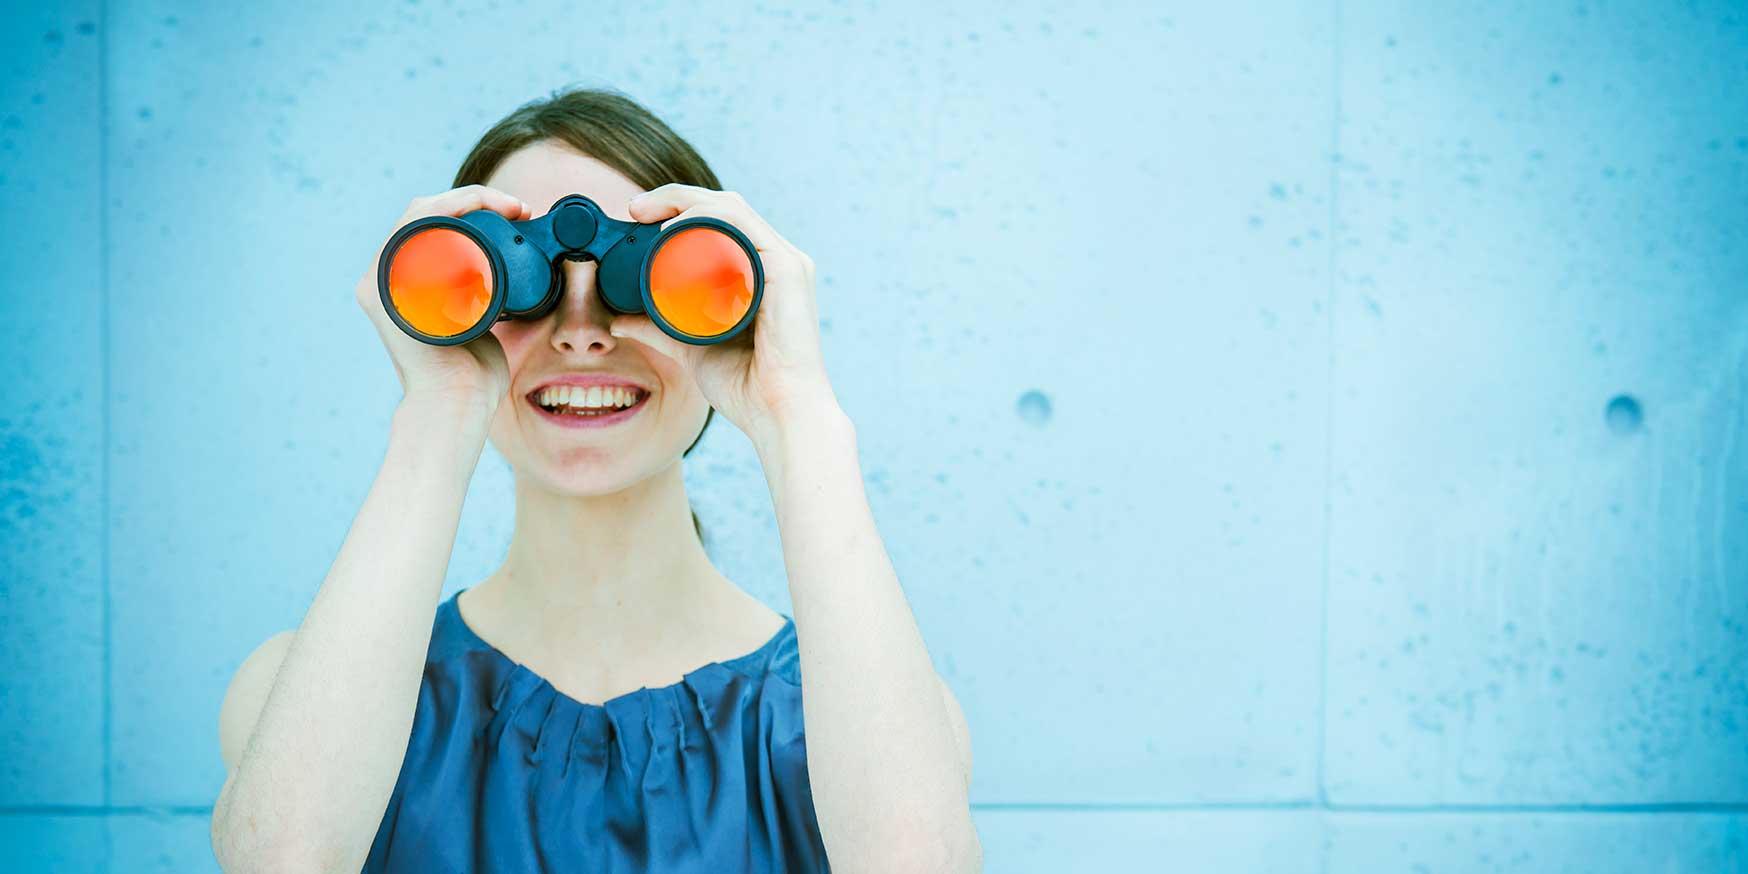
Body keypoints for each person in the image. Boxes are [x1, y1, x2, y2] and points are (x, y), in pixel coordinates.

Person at [208, 86, 980, 873]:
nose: (582, 336)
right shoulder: (300, 695)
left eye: (634, 282)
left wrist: (798, 417)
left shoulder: (861, 720)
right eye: (521, 284)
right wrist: (441, 407)